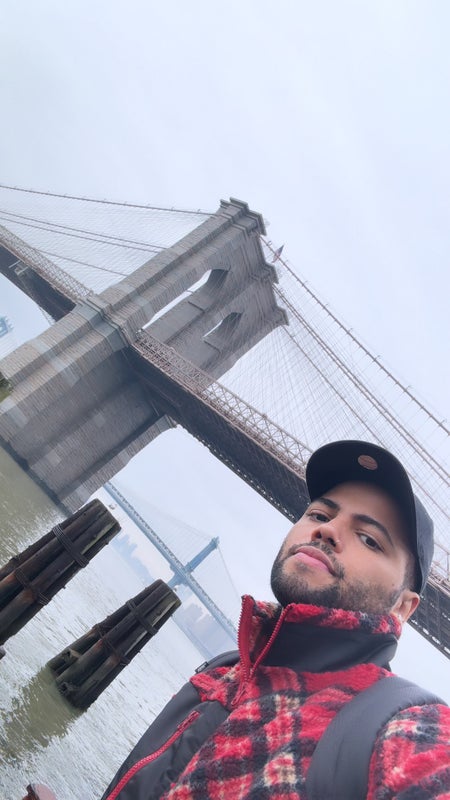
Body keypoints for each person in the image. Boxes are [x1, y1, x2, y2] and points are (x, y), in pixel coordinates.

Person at [100, 440, 450, 800]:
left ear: (402, 608)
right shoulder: (223, 671)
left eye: (369, 539)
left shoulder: (404, 726)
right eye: (319, 515)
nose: (327, 530)